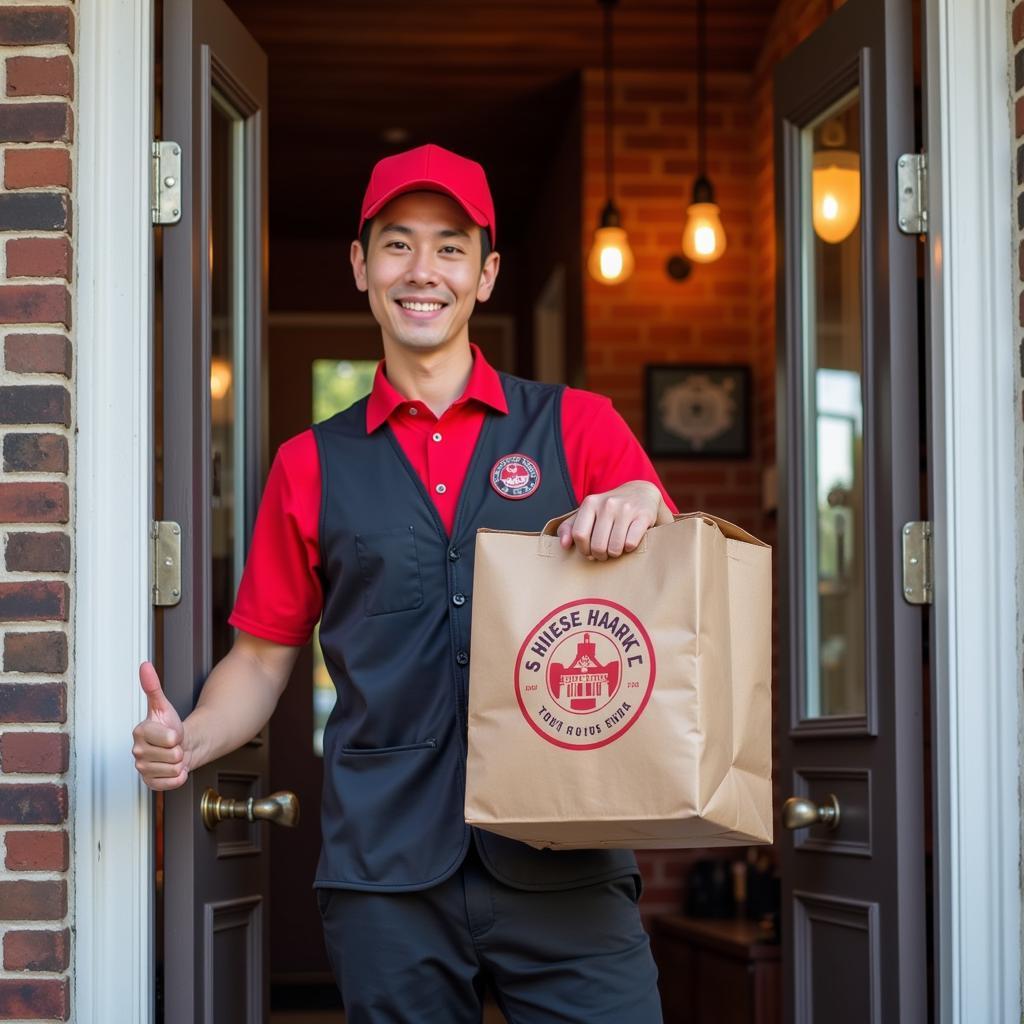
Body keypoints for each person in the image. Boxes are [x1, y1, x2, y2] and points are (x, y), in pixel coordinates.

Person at [133, 143, 678, 1023]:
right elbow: (264, 661)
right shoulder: (309, 464)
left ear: (487, 274)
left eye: (451, 247)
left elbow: (673, 576)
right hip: (385, 875)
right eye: (396, 244)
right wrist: (190, 739)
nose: (423, 271)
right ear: (360, 265)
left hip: (564, 857)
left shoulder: (580, 427)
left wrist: (643, 502)